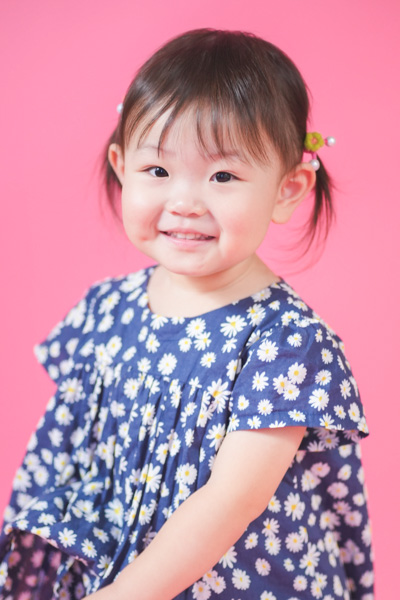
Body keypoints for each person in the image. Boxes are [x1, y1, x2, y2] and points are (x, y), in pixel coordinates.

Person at [0, 29, 374, 600]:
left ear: (287, 189)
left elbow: (232, 501)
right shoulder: (108, 308)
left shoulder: (286, 342)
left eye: (223, 176)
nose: (184, 202)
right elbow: (66, 459)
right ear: (121, 165)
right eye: (157, 170)